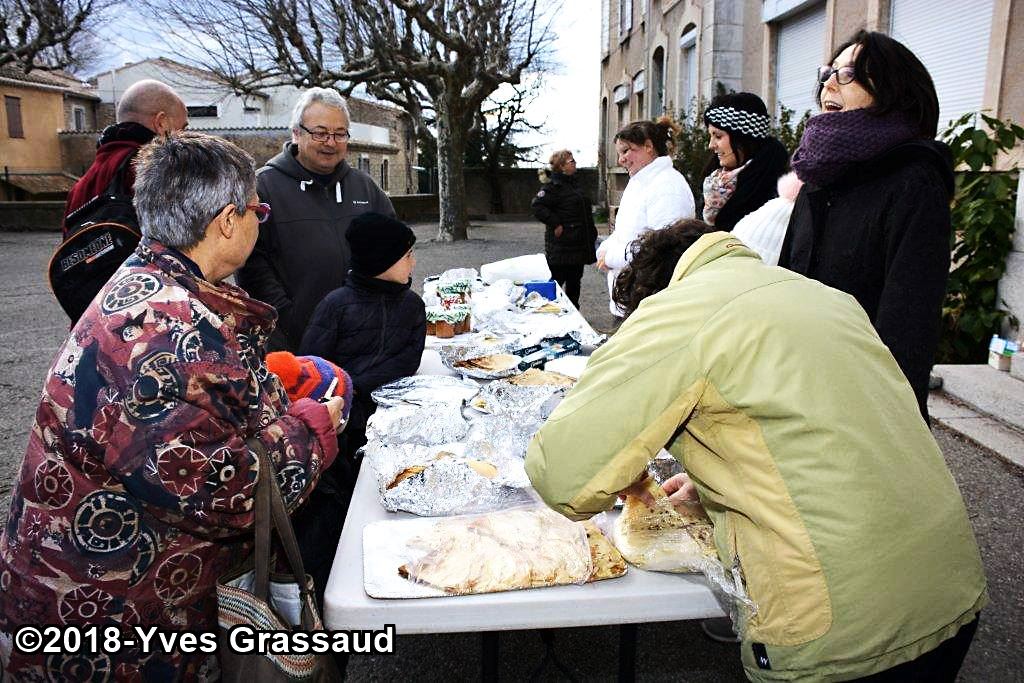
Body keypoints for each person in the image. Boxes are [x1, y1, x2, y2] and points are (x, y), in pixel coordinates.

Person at [526, 221, 986, 683]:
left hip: (843, 628)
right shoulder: (822, 296)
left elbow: (564, 475)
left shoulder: (681, 310)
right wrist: (720, 477)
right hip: (949, 588)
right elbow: (824, 429)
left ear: (655, 290)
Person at [0, 132, 347, 679]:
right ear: (228, 221)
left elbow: (209, 411)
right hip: (112, 627)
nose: (263, 220)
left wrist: (275, 391)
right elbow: (229, 492)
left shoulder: (145, 280)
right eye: (258, 209)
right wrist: (313, 427)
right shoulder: (170, 331)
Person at [778, 30, 952, 421]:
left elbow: (908, 326)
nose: (827, 82)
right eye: (827, 72)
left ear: (892, 90)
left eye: (847, 73)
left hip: (863, 410)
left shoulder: (914, 182)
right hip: (796, 393)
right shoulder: (816, 176)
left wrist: (888, 421)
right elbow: (785, 283)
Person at [298, 212, 426, 597]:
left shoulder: (412, 307)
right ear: (382, 260)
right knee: (337, 508)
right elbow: (311, 368)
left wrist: (351, 383)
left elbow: (408, 360)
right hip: (339, 426)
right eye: (407, 255)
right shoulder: (335, 305)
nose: (413, 263)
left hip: (387, 422)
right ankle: (330, 586)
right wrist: (341, 394)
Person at [237, 87, 396, 352]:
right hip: (293, 344)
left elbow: (395, 250)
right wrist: (289, 317)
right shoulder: (262, 188)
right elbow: (251, 265)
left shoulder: (365, 188)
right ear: (296, 133)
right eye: (320, 133)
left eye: (339, 134)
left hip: (363, 338)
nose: (331, 142)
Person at [596, 116, 694, 318]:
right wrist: (605, 249)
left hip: (650, 305)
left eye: (626, 151)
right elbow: (625, 232)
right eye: (619, 153)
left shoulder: (668, 187)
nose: (621, 159)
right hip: (630, 299)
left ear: (648, 147)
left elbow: (662, 248)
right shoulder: (640, 182)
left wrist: (612, 257)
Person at [62, 79, 188, 236]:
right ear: (161, 123)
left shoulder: (79, 187)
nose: (184, 137)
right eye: (182, 128)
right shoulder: (155, 168)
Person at [701, 92, 790, 232]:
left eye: (718, 136)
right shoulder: (716, 182)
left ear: (743, 139)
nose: (711, 145)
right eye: (710, 136)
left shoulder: (771, 192)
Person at [531, 149, 598, 309]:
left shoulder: (573, 184)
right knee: (556, 280)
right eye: (571, 161)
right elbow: (538, 206)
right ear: (561, 166)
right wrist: (556, 223)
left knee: (575, 281)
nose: (574, 163)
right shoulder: (553, 187)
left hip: (577, 244)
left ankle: (573, 312)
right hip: (562, 245)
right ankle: (548, 310)